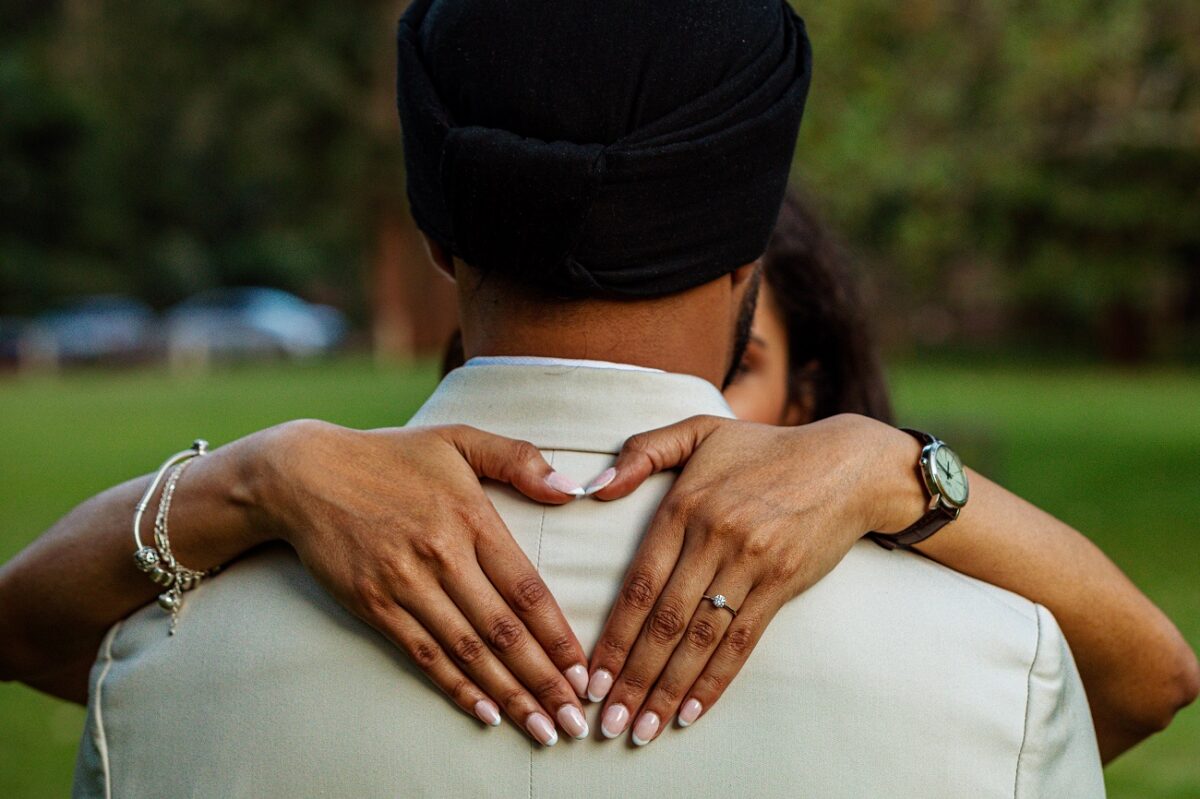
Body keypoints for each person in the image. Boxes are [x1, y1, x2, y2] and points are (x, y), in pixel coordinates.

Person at [0, 0, 1193, 794]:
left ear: (435, 235)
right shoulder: (996, 663)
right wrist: (901, 467)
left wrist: (251, 471)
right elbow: (1154, 683)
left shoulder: (156, 666)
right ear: (748, 245)